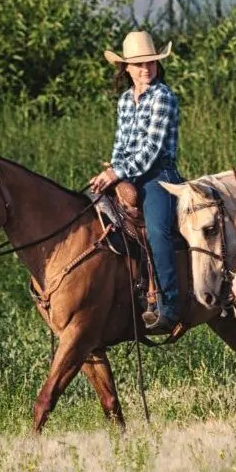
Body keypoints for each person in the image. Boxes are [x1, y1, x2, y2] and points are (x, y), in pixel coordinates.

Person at [87, 30, 183, 331]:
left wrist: (116, 173)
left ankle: (169, 304)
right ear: (126, 68)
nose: (146, 69)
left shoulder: (163, 97)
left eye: (151, 63)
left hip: (159, 174)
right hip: (127, 173)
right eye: (139, 64)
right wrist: (110, 173)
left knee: (157, 231)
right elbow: (121, 144)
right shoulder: (126, 100)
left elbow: (152, 149)